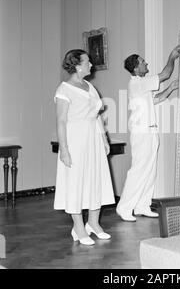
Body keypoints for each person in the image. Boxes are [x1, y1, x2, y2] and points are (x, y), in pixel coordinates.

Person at [54, 49, 115, 245]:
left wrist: (104, 139)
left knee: (95, 180)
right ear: (77, 65)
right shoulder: (64, 89)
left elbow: (95, 115)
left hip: (94, 140)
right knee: (76, 182)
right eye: (88, 62)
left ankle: (94, 224)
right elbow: (61, 121)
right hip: (75, 140)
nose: (91, 65)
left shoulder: (89, 86)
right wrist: (64, 149)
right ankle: (78, 229)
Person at [116, 46, 180, 221]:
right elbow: (165, 74)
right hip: (142, 132)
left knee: (150, 170)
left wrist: (171, 89)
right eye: (143, 62)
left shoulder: (141, 86)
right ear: (136, 68)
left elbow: (156, 100)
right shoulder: (137, 83)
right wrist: (172, 56)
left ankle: (142, 206)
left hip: (150, 130)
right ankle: (124, 207)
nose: (146, 63)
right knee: (139, 170)